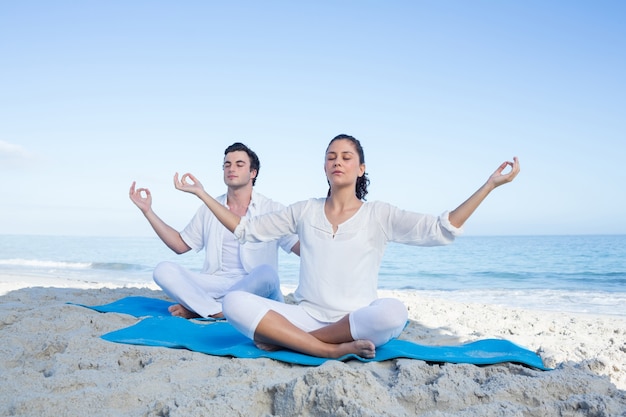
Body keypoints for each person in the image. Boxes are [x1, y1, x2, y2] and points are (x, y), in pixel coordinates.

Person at [172, 134, 520, 357]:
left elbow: (442, 229)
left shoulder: (379, 214)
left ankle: (301, 340)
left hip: (354, 319)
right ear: (325, 168)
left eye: (346, 156)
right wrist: (202, 193)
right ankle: (326, 349)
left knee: (393, 312)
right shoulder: (303, 210)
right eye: (331, 157)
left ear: (361, 167)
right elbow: (246, 230)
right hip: (304, 316)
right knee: (233, 301)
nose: (337, 161)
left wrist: (490, 185)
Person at [129, 142, 299, 319]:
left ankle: (202, 309)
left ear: (253, 173)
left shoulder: (273, 209)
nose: (231, 169)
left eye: (239, 164)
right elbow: (180, 245)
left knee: (267, 273)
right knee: (162, 270)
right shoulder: (209, 208)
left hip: (255, 288)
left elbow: (302, 248)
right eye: (227, 165)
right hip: (217, 284)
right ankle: (219, 310)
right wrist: (148, 211)